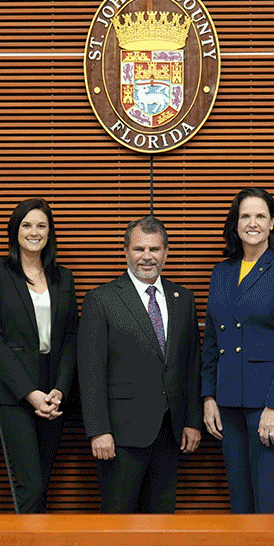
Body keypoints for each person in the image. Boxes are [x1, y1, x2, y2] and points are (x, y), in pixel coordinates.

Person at [78, 216, 202, 513]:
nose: (147, 257)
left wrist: (192, 421)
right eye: (139, 249)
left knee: (162, 522)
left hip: (170, 433)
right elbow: (90, 371)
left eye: (155, 249)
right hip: (120, 436)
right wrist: (98, 430)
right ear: (126, 252)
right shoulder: (101, 299)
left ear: (166, 252)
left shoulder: (183, 299)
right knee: (117, 521)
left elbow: (192, 365)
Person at [201, 188, 274, 514]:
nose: (252, 223)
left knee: (271, 506)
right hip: (228, 403)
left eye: (260, 216)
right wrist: (209, 398)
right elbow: (211, 342)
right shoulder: (222, 272)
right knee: (241, 506)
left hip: (268, 405)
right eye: (245, 216)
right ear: (235, 224)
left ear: (273, 223)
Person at [0, 198, 78, 513]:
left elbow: (70, 339)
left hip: (54, 395)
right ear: (15, 231)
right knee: (30, 485)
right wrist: (31, 394)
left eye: (41, 226)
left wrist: (59, 390)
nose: (34, 232)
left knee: (43, 482)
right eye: (27, 225)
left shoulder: (63, 277)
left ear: (50, 232)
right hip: (14, 394)